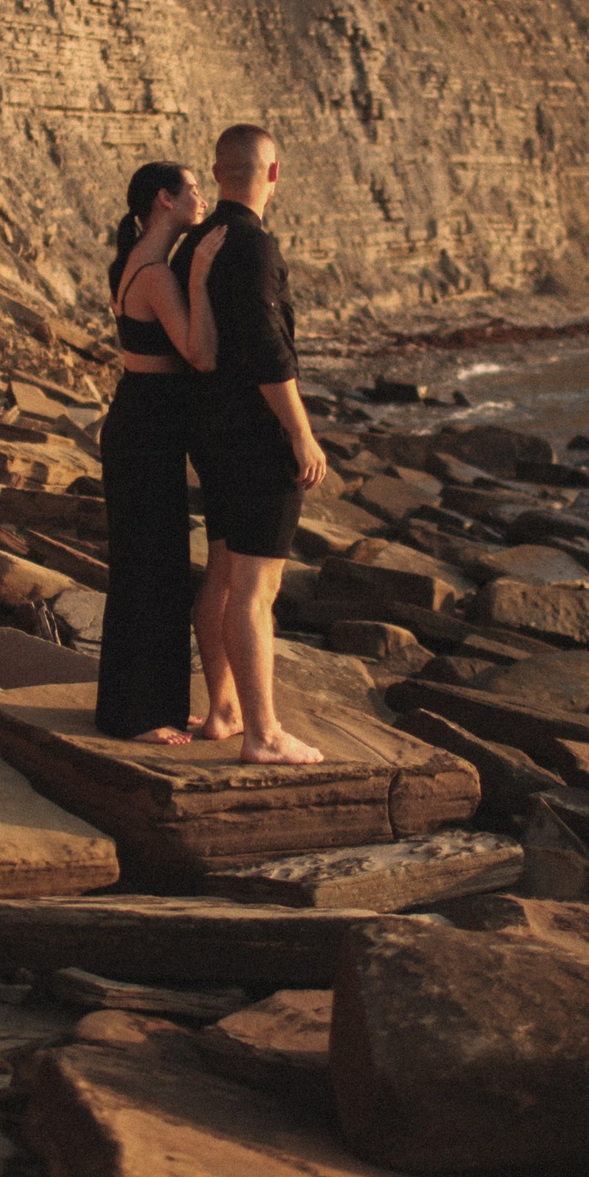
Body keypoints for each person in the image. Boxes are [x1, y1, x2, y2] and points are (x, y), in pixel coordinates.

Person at [181, 124, 328, 765]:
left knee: (220, 572)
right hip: (255, 435)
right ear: (274, 175)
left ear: (218, 174)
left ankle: (222, 710)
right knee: (255, 589)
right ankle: (263, 735)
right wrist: (300, 432)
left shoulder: (197, 245)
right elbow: (270, 352)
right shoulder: (255, 247)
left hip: (209, 431)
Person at [93, 162, 227, 743]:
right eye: (192, 189)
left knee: (148, 567)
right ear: (164, 200)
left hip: (139, 421)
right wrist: (197, 277)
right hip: (146, 427)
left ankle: (144, 708)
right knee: (151, 571)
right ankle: (140, 716)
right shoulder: (154, 273)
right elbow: (199, 354)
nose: (202, 197)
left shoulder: (134, 263)